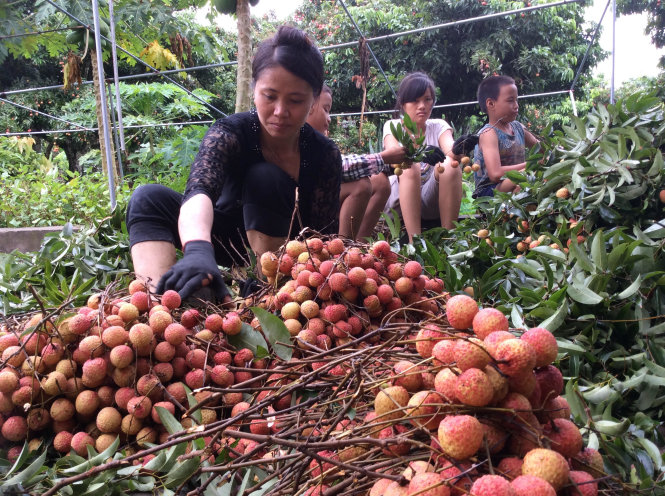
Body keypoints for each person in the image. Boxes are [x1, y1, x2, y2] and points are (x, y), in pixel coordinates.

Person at [126, 26, 342, 301]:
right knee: (148, 198)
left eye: (296, 101)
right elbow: (200, 188)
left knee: (266, 178)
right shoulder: (231, 133)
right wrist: (197, 248)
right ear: (254, 91)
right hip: (228, 238)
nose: (280, 111)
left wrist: (307, 276)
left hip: (293, 256)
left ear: (313, 101)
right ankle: (164, 303)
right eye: (270, 96)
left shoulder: (324, 155)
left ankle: (273, 295)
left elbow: (324, 238)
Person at [306, 85, 407, 240]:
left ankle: (359, 249)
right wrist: (383, 158)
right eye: (325, 109)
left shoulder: (317, 140)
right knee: (361, 185)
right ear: (309, 106)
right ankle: (342, 251)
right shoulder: (299, 134)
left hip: (317, 200)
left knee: (380, 181)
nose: (329, 118)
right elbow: (336, 167)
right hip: (301, 205)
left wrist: (391, 165)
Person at [379, 72, 462, 242]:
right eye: (415, 100)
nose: (422, 106)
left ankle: (449, 239)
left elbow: (450, 150)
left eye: (427, 99)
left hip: (430, 201)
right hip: (399, 204)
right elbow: (394, 155)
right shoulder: (393, 126)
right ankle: (414, 242)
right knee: (409, 165)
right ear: (403, 103)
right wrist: (421, 154)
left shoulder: (438, 126)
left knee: (450, 165)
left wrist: (460, 147)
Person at [472, 75, 539, 197]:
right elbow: (495, 174)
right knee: (525, 178)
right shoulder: (488, 133)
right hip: (489, 193)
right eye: (510, 100)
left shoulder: (518, 128)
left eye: (516, 100)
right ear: (491, 103)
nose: (516, 105)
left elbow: (542, 148)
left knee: (530, 178)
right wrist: (532, 165)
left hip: (512, 184)